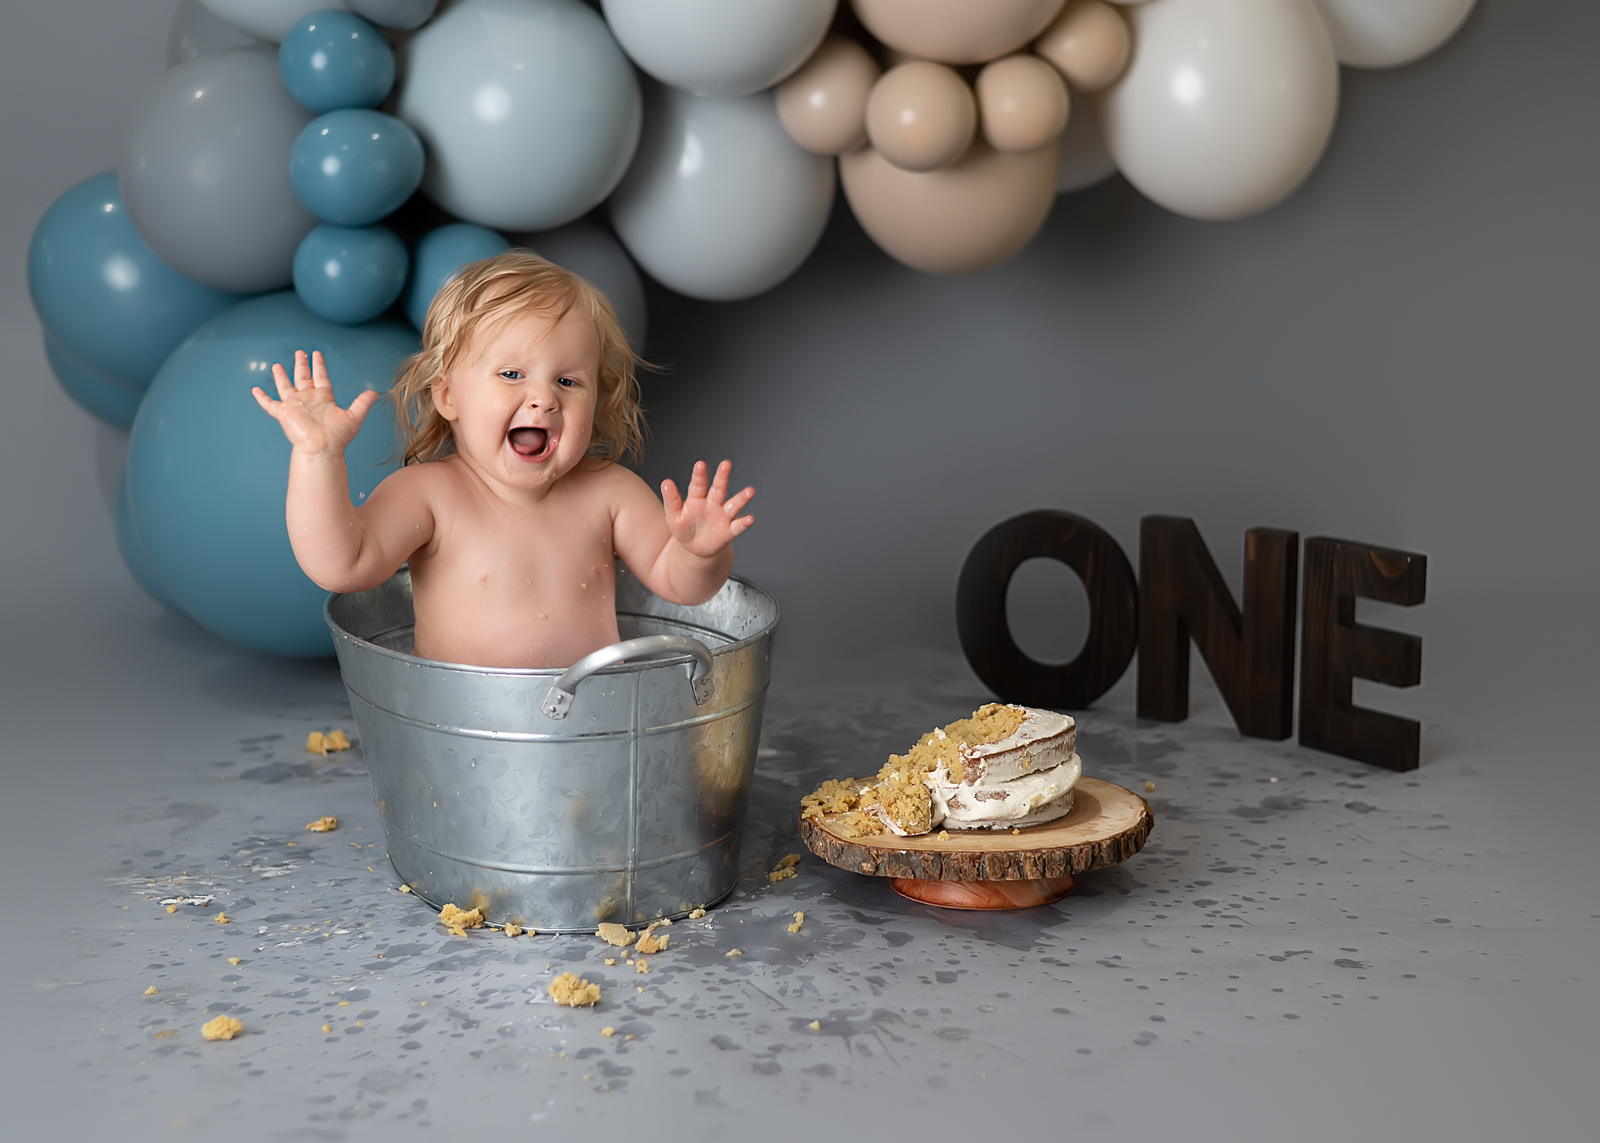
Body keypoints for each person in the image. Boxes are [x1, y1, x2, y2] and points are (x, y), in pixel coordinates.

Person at [252, 250, 754, 669]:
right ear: (448, 396)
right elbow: (343, 566)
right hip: (461, 732)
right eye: (512, 374)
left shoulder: (610, 491)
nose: (544, 398)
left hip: (592, 726)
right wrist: (318, 457)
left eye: (568, 381)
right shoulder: (429, 494)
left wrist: (700, 554)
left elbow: (681, 588)